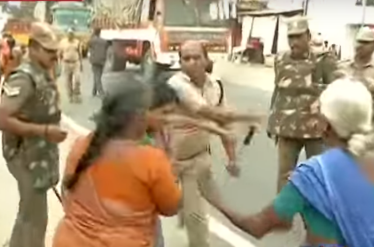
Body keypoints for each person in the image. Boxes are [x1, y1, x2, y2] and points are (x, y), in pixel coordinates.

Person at [202, 77, 374, 246]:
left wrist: (216, 200)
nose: (314, 111)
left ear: (327, 126)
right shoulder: (315, 176)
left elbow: (257, 226)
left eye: (319, 111)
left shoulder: (312, 175)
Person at [52, 75, 181, 247]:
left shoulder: (82, 146)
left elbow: (67, 195)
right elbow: (171, 206)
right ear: (138, 117)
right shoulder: (152, 159)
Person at [167, 40, 264, 247]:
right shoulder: (176, 85)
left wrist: (232, 158)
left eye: (196, 57)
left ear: (206, 59)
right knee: (151, 207)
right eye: (186, 58)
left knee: (198, 215)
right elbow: (204, 111)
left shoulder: (216, 86)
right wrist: (247, 117)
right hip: (168, 161)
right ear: (180, 62)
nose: (192, 62)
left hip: (196, 160)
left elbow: (224, 124)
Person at [0, 22, 66, 247]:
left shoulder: (42, 72)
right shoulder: (24, 77)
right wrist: (45, 131)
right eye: (49, 51)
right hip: (24, 156)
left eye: (55, 51)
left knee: (29, 213)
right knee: (35, 217)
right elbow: (2, 118)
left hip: (37, 155)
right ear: (34, 47)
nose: (55, 56)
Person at [267, 16, 338, 192]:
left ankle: (315, 218)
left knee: (319, 177)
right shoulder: (281, 59)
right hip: (287, 130)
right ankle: (282, 218)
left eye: (299, 36)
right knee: (284, 178)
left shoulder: (324, 61)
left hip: (316, 132)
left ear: (308, 36)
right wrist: (272, 120)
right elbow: (278, 91)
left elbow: (336, 95)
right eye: (291, 37)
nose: (294, 41)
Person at [59, 28, 83, 103]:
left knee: (77, 79)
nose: (70, 35)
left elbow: (80, 53)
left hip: (75, 62)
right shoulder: (63, 42)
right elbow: (59, 53)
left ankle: (76, 93)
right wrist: (60, 63)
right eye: (69, 34)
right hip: (66, 63)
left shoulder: (77, 42)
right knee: (68, 81)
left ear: (73, 35)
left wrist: (81, 64)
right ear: (67, 34)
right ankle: (70, 95)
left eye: (71, 34)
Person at [88, 28, 109, 97]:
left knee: (97, 76)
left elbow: (88, 44)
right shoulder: (104, 41)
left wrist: (92, 35)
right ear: (100, 33)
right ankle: (94, 91)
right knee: (98, 75)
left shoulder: (91, 41)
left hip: (94, 60)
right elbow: (106, 48)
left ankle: (101, 93)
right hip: (102, 60)